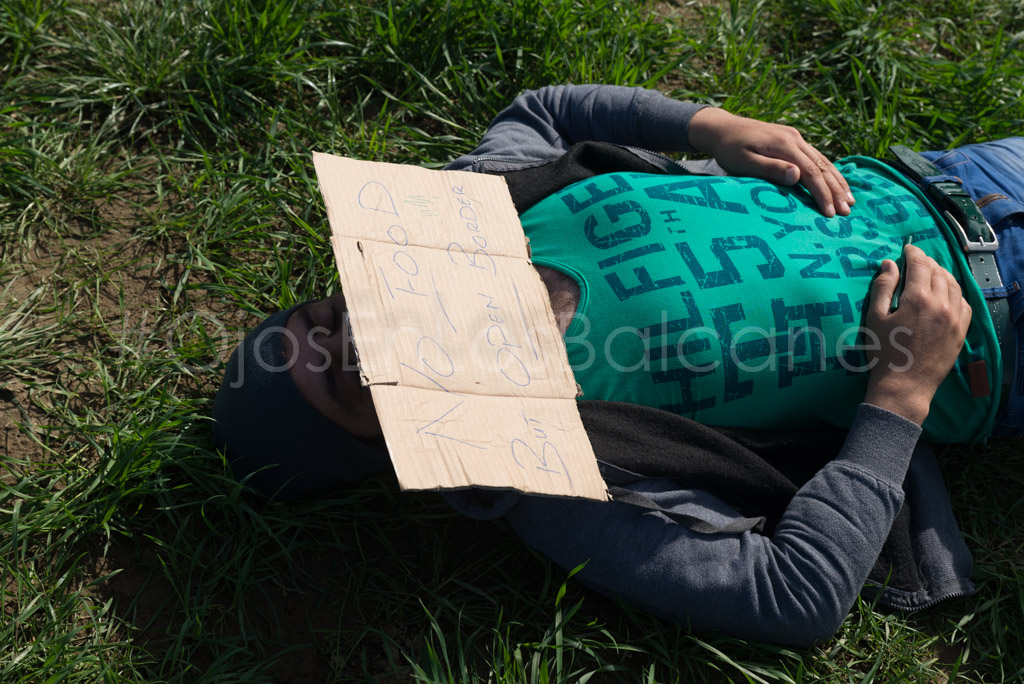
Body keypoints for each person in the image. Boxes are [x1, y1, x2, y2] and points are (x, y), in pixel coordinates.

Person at [212, 84, 1024, 646]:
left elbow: (544, 110)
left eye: (321, 320)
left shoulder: (482, 202)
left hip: (961, 177)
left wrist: (710, 127)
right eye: (348, 380)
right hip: (1003, 338)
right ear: (402, 449)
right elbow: (795, 597)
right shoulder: (564, 484)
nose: (355, 335)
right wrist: (902, 392)